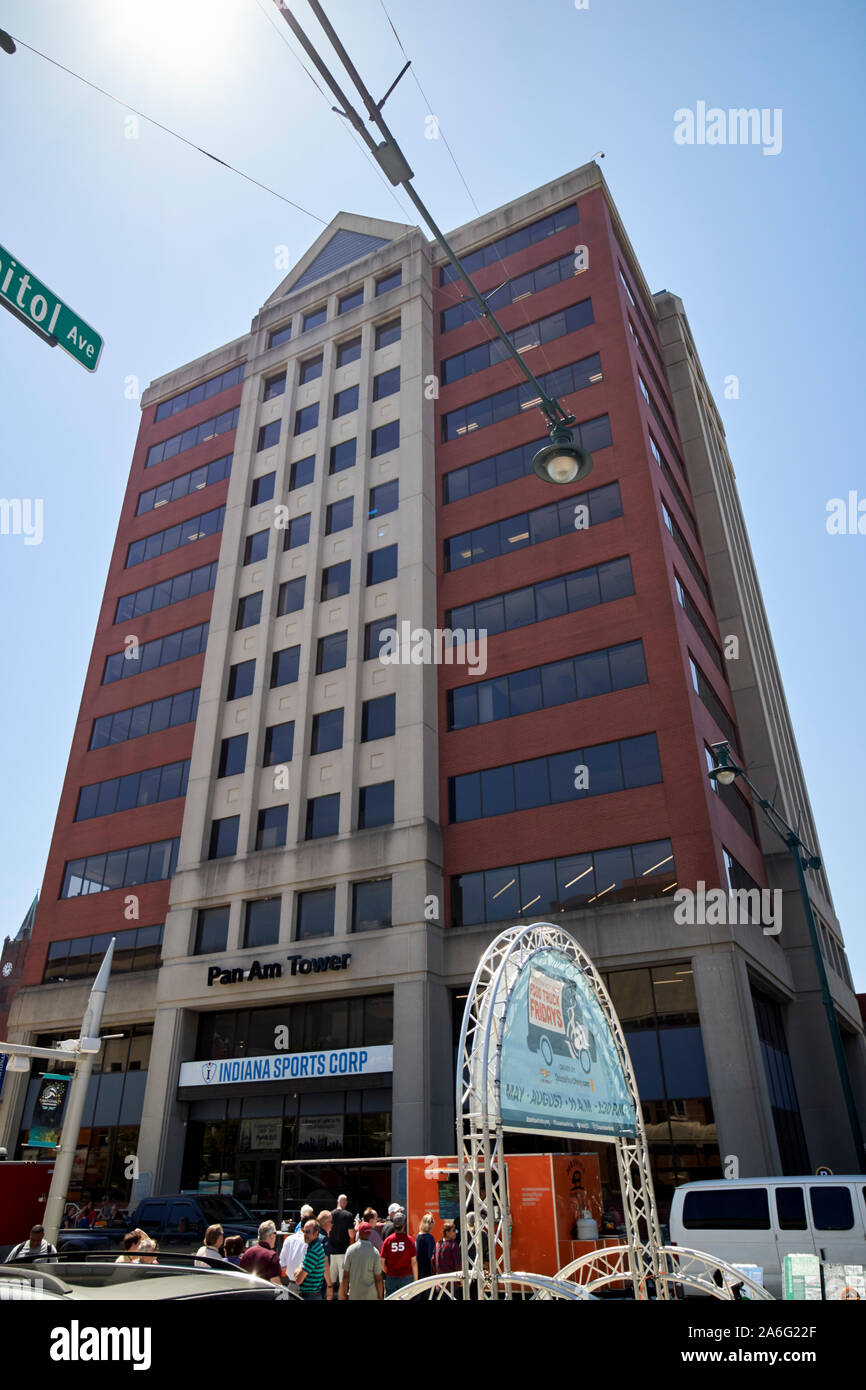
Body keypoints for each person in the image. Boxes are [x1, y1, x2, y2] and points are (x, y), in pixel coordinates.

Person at [339, 1221, 383, 1302]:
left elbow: (345, 1276)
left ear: (359, 1233)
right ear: (369, 1234)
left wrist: (344, 1294)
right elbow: (378, 1278)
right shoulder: (375, 1252)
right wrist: (380, 1297)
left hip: (354, 1295)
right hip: (371, 1296)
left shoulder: (350, 1250)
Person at [380, 1211, 417, 1296]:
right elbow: (414, 1262)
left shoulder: (388, 1241)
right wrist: (415, 1280)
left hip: (391, 1277)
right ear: (404, 1225)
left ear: (393, 1225)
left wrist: (388, 1272)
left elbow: (382, 1261)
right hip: (406, 1277)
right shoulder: (410, 1240)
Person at [239, 1220, 282, 1286]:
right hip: (263, 1294)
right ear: (271, 1236)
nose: (276, 1236)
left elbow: (240, 1277)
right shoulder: (272, 1256)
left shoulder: (247, 1253)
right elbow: (276, 1284)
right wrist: (285, 1295)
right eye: (275, 1233)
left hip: (246, 1293)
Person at [294, 1218, 325, 1301]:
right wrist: (300, 1267)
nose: (305, 1234)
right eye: (304, 1231)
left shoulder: (314, 1251)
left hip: (310, 1296)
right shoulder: (313, 1246)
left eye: (308, 1232)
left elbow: (298, 1280)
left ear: (316, 1233)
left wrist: (298, 1269)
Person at [329, 1194, 354, 1290]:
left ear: (337, 1202)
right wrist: (356, 1227)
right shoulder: (348, 1215)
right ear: (345, 1202)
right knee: (343, 1281)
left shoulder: (330, 1215)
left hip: (331, 1251)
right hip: (343, 1252)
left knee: (330, 1281)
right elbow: (351, 1235)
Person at [278, 1223, 306, 1296]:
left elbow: (282, 1264)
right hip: (307, 1287)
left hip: (292, 1284)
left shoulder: (289, 1239)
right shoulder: (311, 1242)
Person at [315, 1210, 334, 1300]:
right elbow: (324, 1263)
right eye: (331, 1222)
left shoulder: (313, 1236)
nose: (332, 1225)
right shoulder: (324, 1239)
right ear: (326, 1223)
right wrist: (329, 1285)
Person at [415, 1214, 435, 1280]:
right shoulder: (429, 1237)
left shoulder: (418, 1236)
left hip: (419, 1269)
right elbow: (431, 1256)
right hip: (427, 1270)